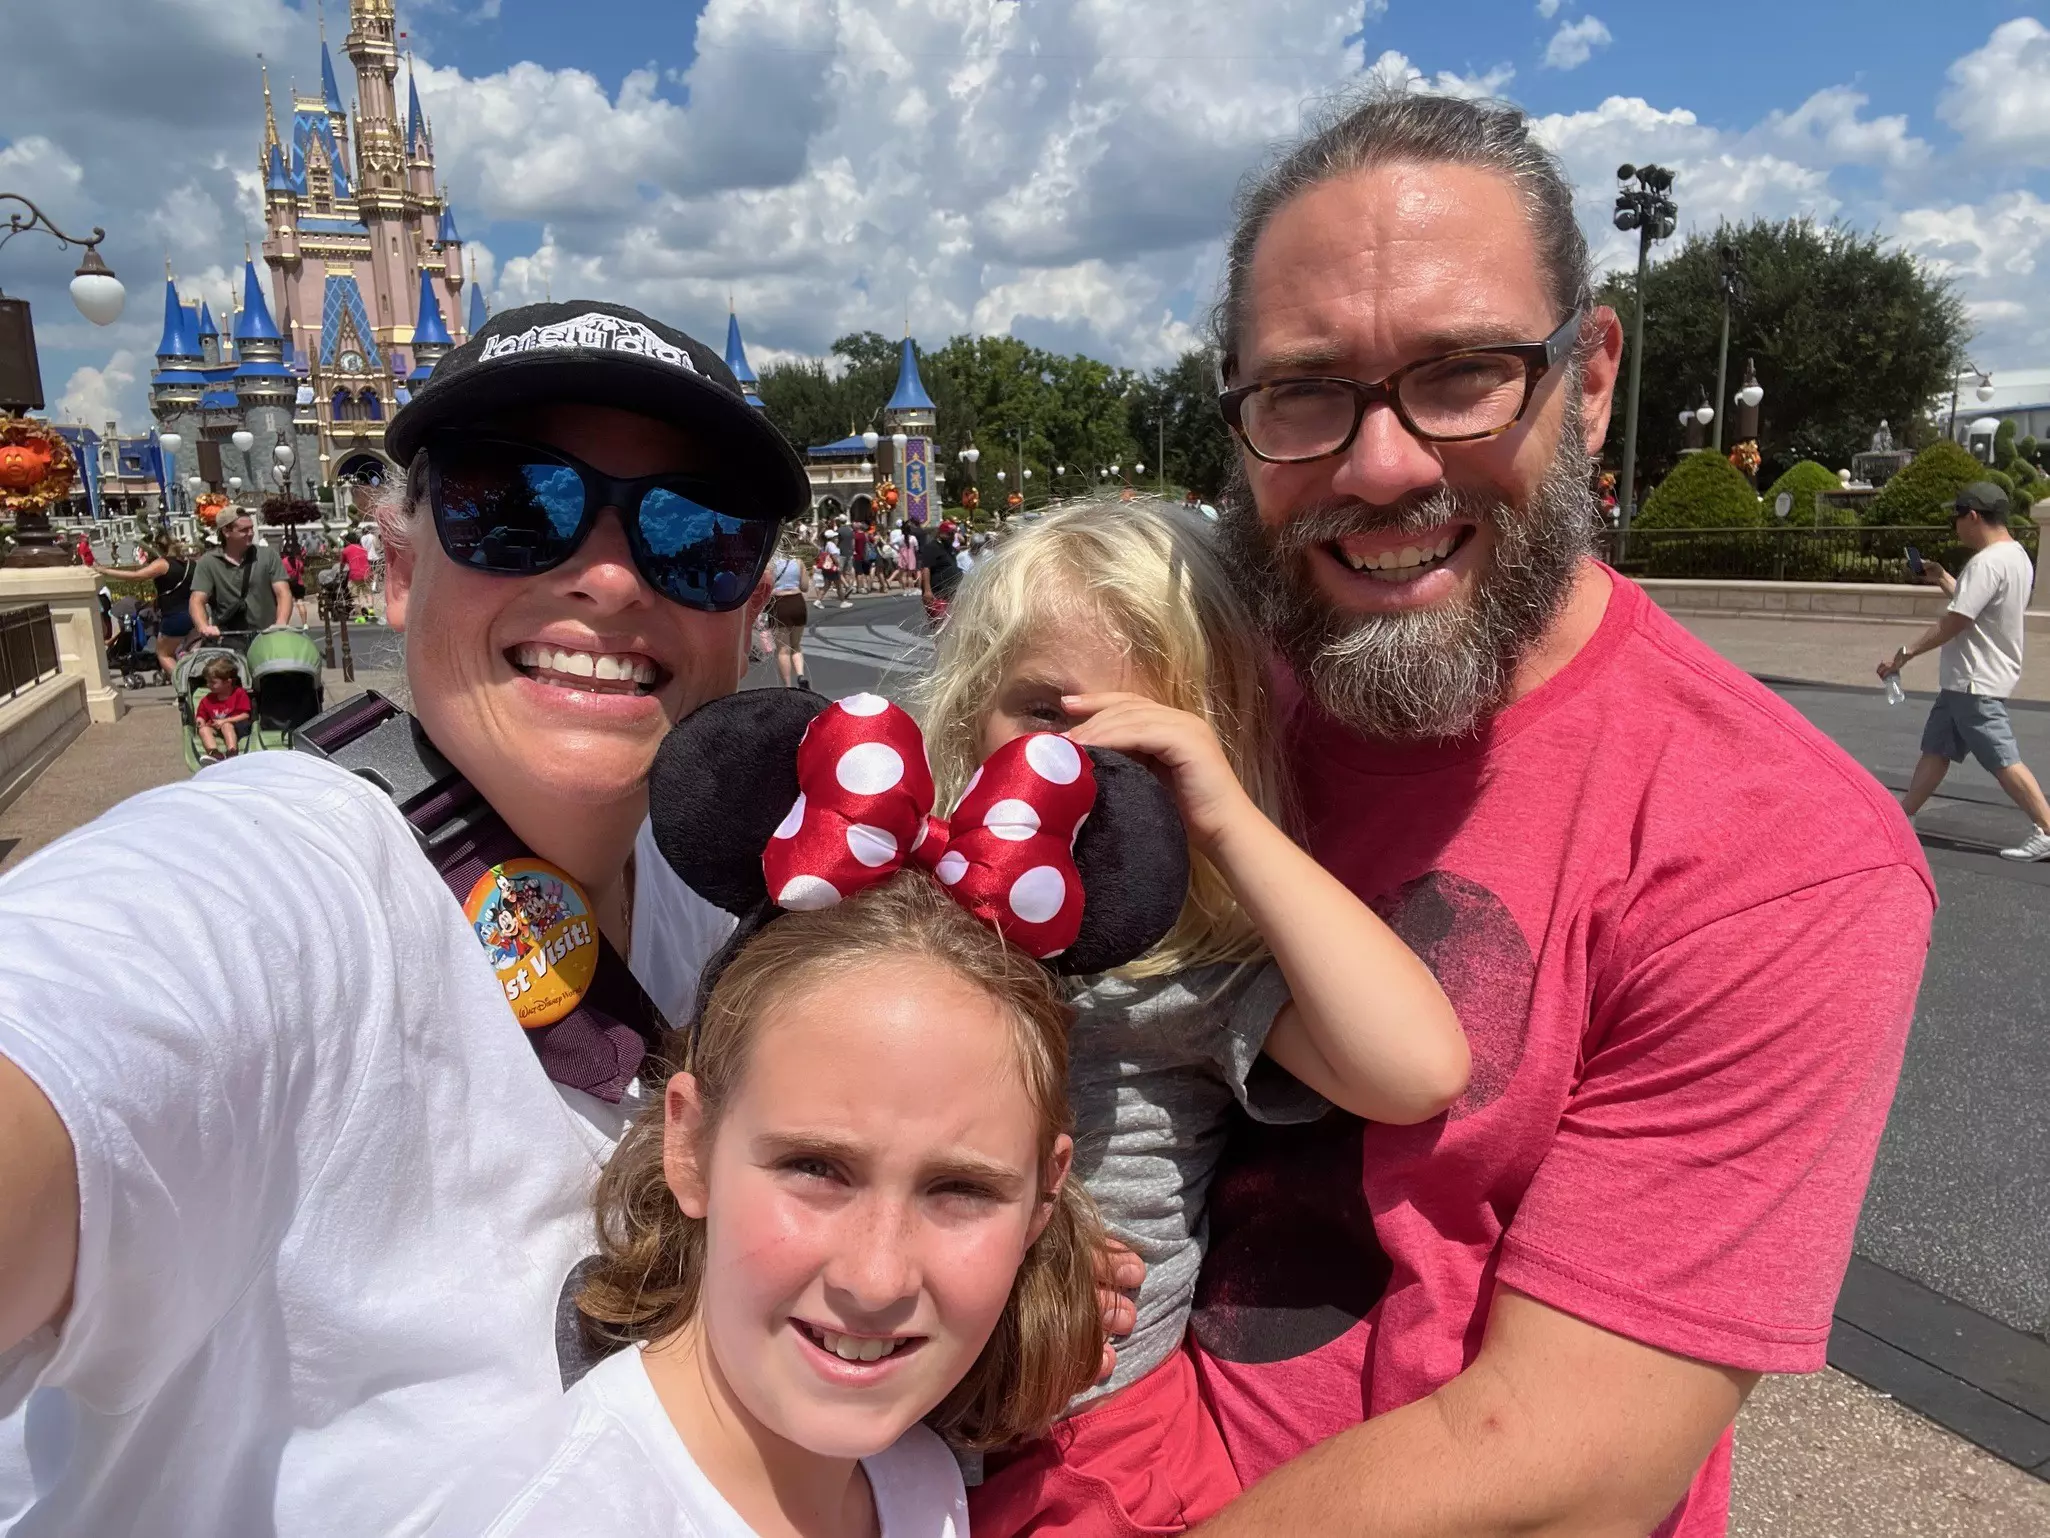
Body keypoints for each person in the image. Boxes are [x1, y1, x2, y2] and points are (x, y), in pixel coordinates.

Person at [1183, 91, 1932, 1538]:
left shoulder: (1778, 849)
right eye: (1304, 391)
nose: (1381, 462)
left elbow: (1566, 1459)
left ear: (1586, 379)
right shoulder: (1183, 696)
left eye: (1460, 374)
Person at [0, 300, 811, 1535]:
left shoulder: (712, 891)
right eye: (514, 504)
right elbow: (86, 1008)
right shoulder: (275, 880)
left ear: (745, 608)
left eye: (694, 537)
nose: (605, 576)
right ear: (391, 567)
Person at [915, 502, 1466, 1535]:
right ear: (969, 711)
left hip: (1090, 1444)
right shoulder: (904, 914)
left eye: (1143, 745)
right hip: (880, 1418)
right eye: (1043, 712)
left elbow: (1417, 1067)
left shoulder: (1188, 972)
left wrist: (1224, 817)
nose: (1079, 764)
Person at [428, 871, 1103, 1538]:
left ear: (1043, 1196)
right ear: (691, 1148)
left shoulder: (920, 1481)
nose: (875, 1279)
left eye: (962, 1189)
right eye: (814, 1168)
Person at [1877, 482, 2050, 861]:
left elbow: (1957, 620)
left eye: (1956, 517)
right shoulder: (2016, 555)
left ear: (1973, 515)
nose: (1954, 525)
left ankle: (2047, 828)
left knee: (2002, 759)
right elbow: (1975, 605)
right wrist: (1942, 577)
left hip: (1975, 680)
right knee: (1937, 749)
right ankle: (1905, 816)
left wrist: (1905, 654)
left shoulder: (1985, 563)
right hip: (1968, 679)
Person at [99, 535, 196, 678]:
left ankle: (185, 684)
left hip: (175, 616)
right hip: (195, 614)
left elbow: (136, 576)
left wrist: (105, 571)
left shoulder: (163, 563)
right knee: (190, 652)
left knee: (164, 654)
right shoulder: (191, 564)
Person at [190, 508, 293, 636]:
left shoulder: (267, 556)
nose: (250, 533)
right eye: (244, 530)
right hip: (227, 637)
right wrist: (204, 627)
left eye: (251, 528)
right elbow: (197, 600)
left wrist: (281, 623)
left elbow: (283, 593)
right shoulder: (208, 562)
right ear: (226, 531)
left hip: (267, 636)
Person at [767, 535, 814, 691]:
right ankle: (800, 675)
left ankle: (787, 686)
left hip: (779, 605)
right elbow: (805, 586)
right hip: (797, 603)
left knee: (783, 650)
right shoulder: (798, 563)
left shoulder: (771, 566)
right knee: (796, 646)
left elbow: (766, 588)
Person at [193, 654, 252, 762]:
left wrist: (225, 720)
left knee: (226, 726)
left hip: (238, 726)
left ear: (228, 682)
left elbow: (245, 715)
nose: (208, 685)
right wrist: (200, 720)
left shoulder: (239, 694)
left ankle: (232, 752)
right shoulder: (208, 699)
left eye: (213, 682)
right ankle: (214, 753)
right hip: (216, 727)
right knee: (204, 729)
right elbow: (201, 714)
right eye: (207, 681)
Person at [917, 519, 963, 624]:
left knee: (951, 624)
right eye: (949, 534)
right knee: (940, 624)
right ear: (940, 533)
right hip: (937, 593)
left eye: (953, 534)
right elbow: (926, 568)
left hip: (951, 592)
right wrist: (927, 591)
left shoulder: (949, 548)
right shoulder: (932, 547)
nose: (952, 537)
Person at [342, 529, 375, 621]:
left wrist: (341, 571)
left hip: (354, 575)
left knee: (356, 596)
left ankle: (360, 616)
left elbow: (343, 564)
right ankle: (371, 610)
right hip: (367, 573)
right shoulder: (363, 549)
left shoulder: (346, 550)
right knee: (368, 593)